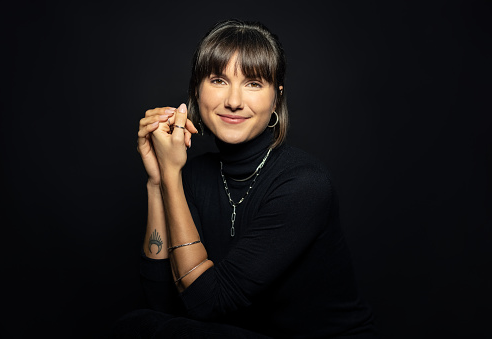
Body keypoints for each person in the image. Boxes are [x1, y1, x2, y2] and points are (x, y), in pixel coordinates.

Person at [114, 19, 378, 338]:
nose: (235, 101)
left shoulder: (305, 183)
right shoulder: (194, 176)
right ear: (196, 90)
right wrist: (158, 183)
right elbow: (161, 304)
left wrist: (172, 176)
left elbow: (208, 302)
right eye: (218, 80)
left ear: (276, 98)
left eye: (253, 83)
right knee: (138, 323)